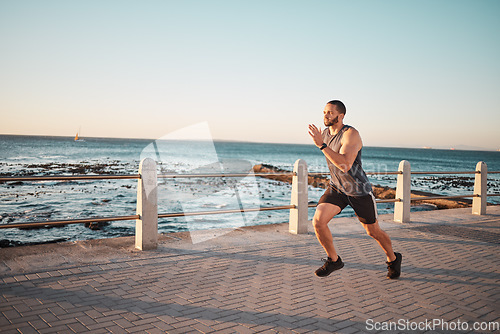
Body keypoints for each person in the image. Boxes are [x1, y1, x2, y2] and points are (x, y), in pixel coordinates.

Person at [308, 100, 402, 279]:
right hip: (337, 188)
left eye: (330, 112)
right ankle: (334, 260)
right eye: (324, 112)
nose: (325, 116)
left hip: (359, 191)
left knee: (373, 231)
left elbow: (344, 164)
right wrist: (322, 142)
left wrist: (321, 145)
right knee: (318, 222)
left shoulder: (350, 134)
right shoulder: (325, 134)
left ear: (340, 116)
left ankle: (393, 258)